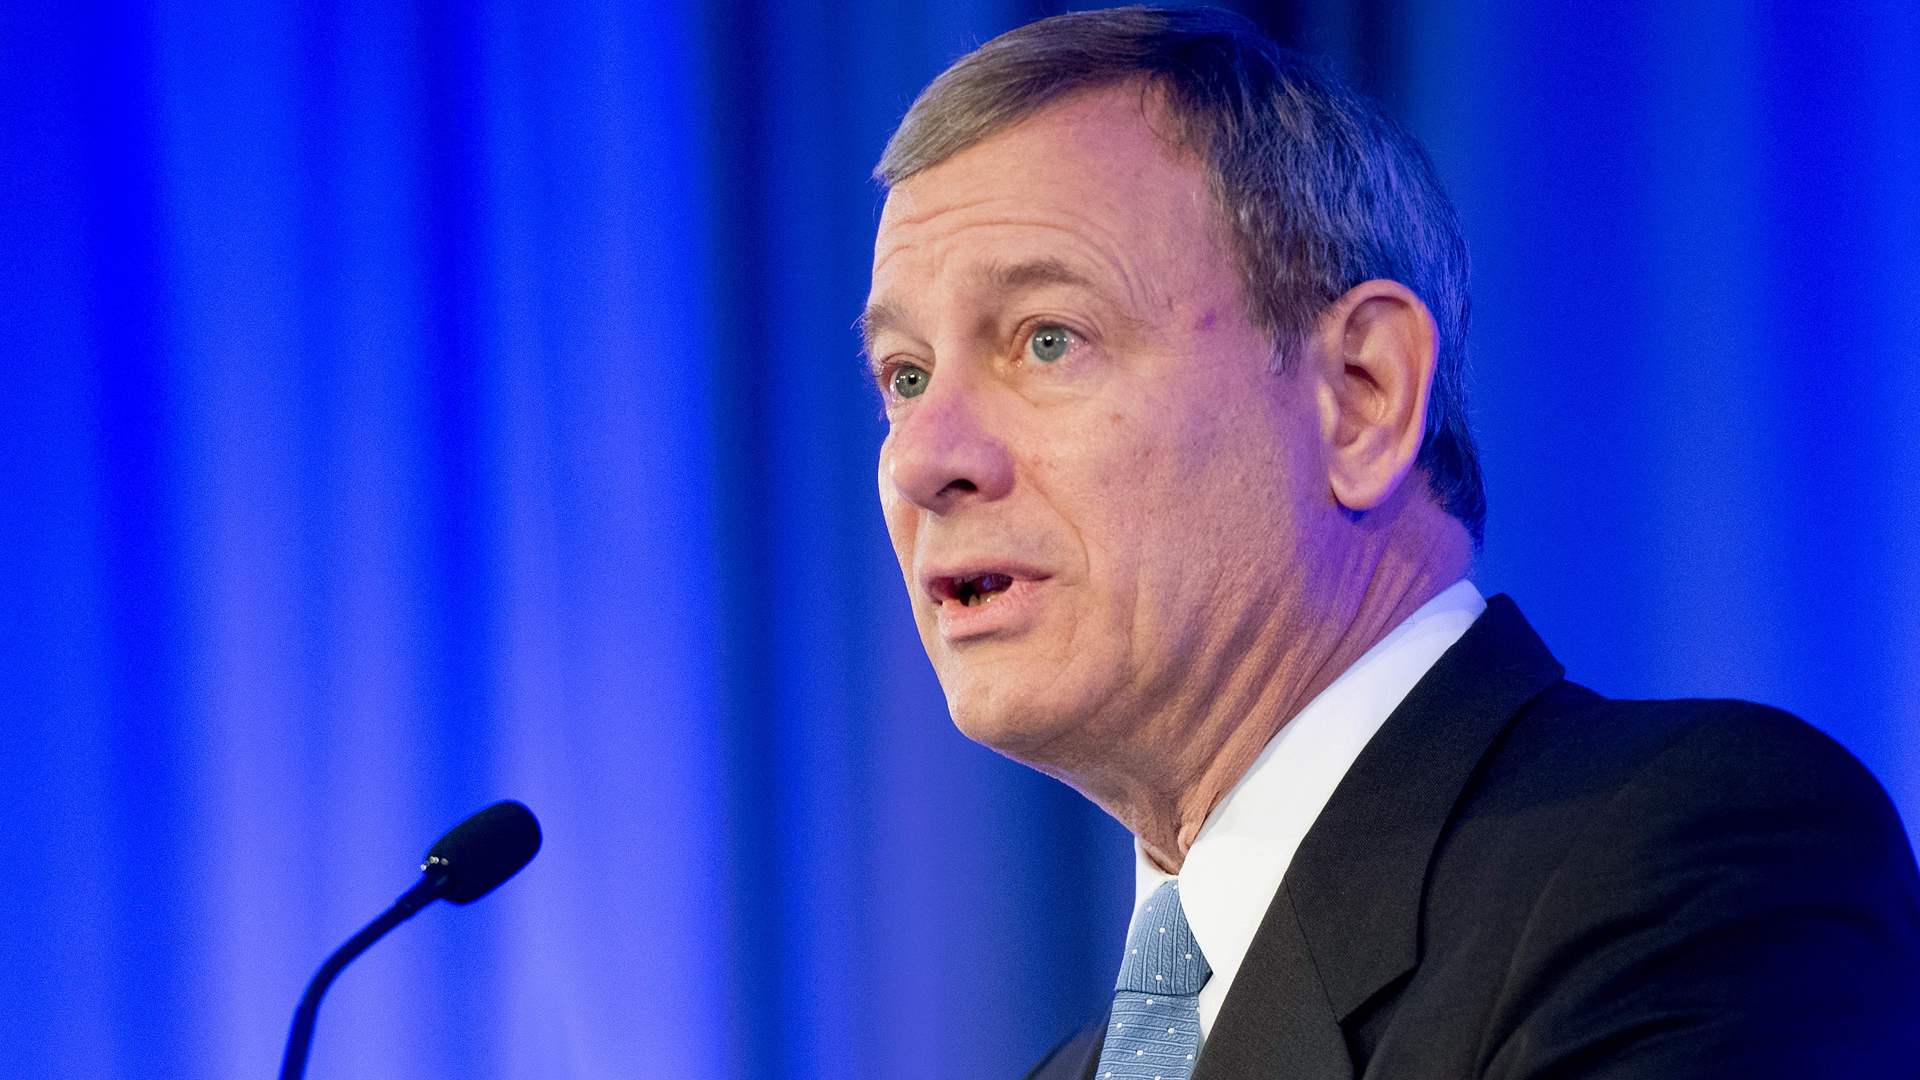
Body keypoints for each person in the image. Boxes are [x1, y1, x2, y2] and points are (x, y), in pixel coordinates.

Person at [861, 7, 1920, 1079]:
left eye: (1048, 339)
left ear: (1361, 398)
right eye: (904, 377)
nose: (920, 459)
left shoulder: (1683, 867)